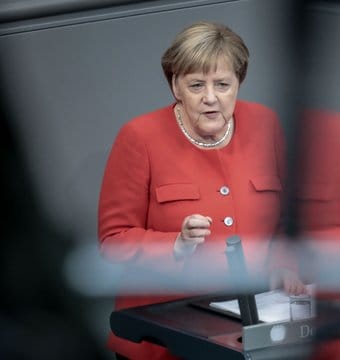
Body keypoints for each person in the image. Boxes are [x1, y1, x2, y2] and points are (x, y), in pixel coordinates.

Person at [98, 21, 304, 360]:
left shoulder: (265, 124)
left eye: (222, 84)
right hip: (165, 339)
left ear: (239, 82)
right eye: (196, 85)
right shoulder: (139, 137)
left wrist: (283, 262)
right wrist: (175, 246)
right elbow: (113, 241)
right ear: (175, 86)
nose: (210, 98)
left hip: (247, 332)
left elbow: (285, 219)